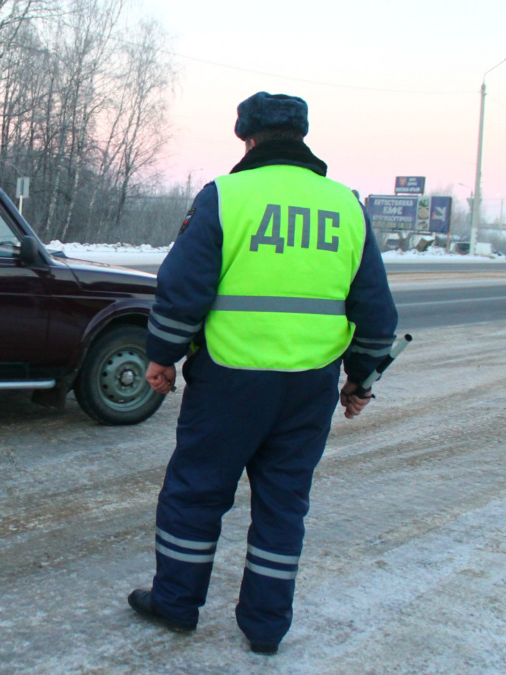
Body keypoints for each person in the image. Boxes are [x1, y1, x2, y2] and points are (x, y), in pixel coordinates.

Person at [127, 92, 398, 654]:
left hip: (229, 379)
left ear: (247, 139)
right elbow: (375, 312)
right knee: (283, 505)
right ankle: (266, 629)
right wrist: (360, 379)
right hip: (309, 385)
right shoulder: (345, 205)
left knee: (196, 493)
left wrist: (162, 356)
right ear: (300, 137)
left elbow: (183, 290)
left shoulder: (227, 196)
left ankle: (176, 604)